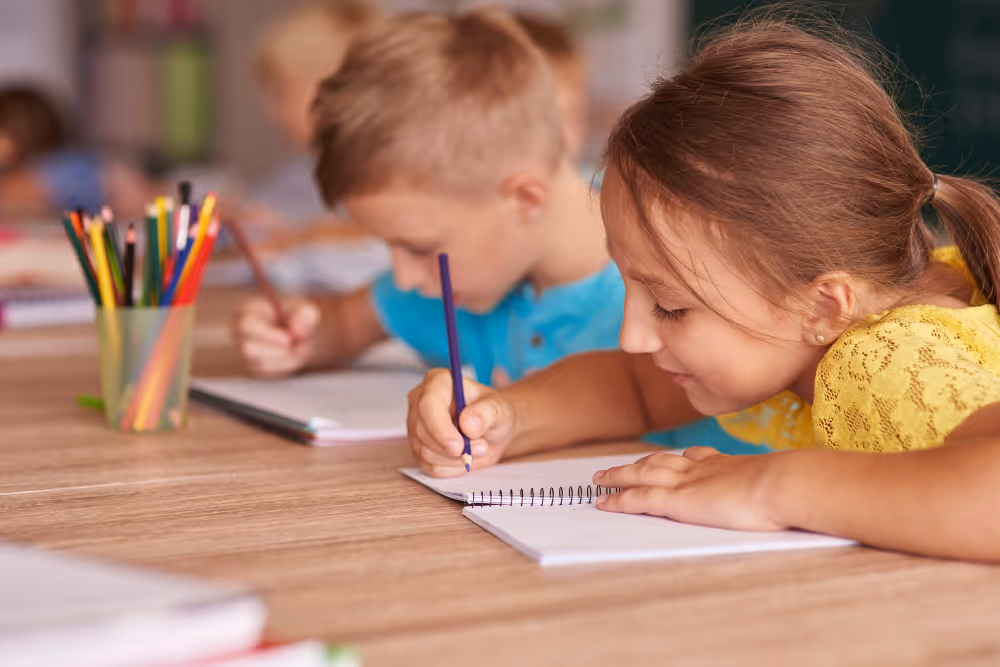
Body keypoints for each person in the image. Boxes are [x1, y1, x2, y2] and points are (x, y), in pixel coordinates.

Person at [406, 16, 1000, 562]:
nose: (632, 337)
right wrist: (506, 417)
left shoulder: (885, 362)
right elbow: (635, 388)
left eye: (670, 306)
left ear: (822, 303)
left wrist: (770, 487)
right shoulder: (792, 339)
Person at [233, 7, 747, 452]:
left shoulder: (682, 296)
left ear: (524, 197)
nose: (405, 276)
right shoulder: (449, 281)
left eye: (418, 247)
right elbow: (343, 325)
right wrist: (299, 334)